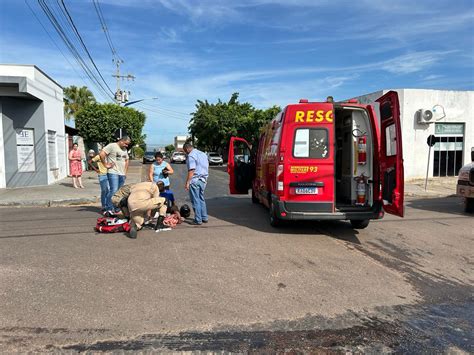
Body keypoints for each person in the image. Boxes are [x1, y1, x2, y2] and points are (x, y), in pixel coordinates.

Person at [100, 135, 131, 214]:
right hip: (113, 172)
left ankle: (116, 208)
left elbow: (127, 160)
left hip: (121, 173)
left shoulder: (124, 149)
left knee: (119, 192)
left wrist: (125, 172)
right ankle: (108, 208)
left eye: (127, 144)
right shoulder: (112, 146)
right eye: (125, 143)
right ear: (121, 140)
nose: (126, 146)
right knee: (113, 190)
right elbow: (102, 154)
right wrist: (105, 164)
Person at [183, 142, 209, 225]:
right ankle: (204, 217)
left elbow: (192, 170)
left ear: (187, 149)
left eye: (185, 151)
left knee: (195, 201)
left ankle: (198, 220)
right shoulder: (203, 154)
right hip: (203, 180)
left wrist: (187, 182)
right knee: (201, 199)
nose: (185, 153)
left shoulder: (191, 156)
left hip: (195, 181)